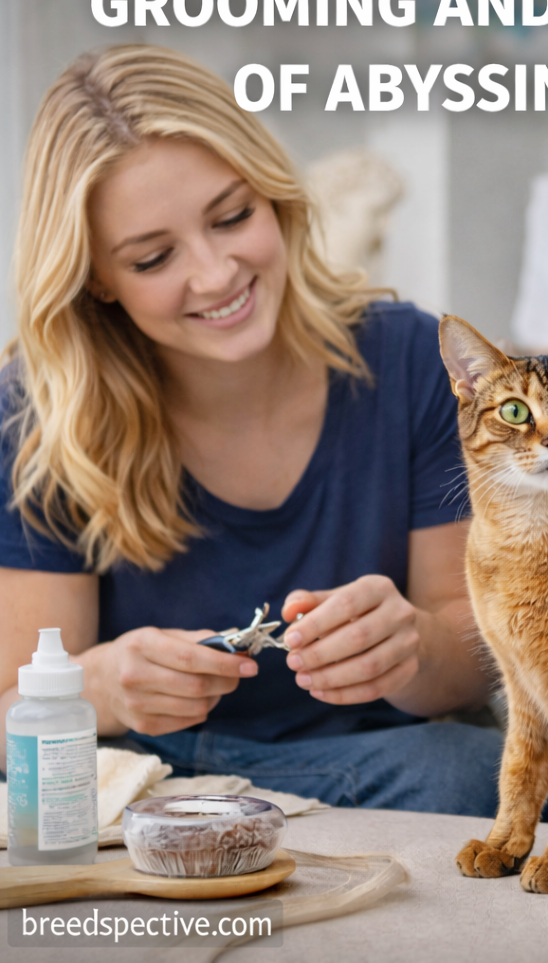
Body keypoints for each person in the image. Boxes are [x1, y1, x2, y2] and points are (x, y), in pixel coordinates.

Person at [0, 44, 503, 816]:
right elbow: (13, 718)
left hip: (384, 757)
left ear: (273, 196)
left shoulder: (406, 359)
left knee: (479, 772)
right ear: (96, 277)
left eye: (233, 216)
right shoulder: (40, 412)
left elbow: (479, 652)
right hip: (145, 779)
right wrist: (96, 687)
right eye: (154, 257)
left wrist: (414, 649)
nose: (216, 273)